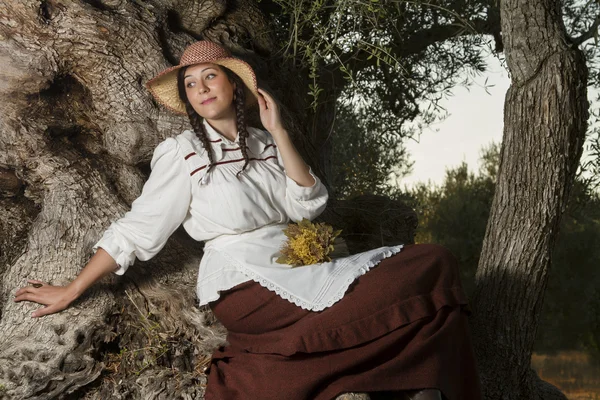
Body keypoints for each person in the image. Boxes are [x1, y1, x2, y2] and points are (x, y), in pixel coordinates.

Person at [14, 41, 481, 400]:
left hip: (302, 269)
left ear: (233, 84)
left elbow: (307, 205)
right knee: (415, 286)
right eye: (190, 84)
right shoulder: (182, 154)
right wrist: (74, 288)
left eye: (209, 77)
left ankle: (421, 387)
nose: (200, 89)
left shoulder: (264, 141)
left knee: (432, 262)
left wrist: (279, 131)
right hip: (247, 285)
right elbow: (139, 229)